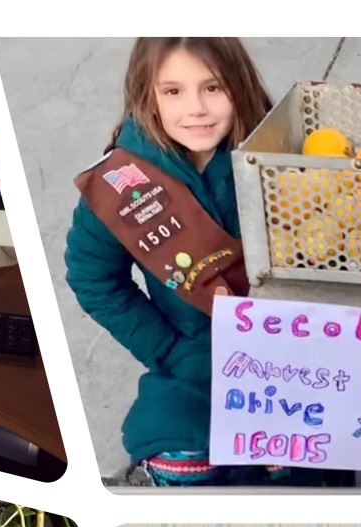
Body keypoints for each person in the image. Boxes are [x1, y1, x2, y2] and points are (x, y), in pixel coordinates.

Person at [66, 38, 271, 486]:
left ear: (241, 86)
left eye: (213, 88)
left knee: (304, 466)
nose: (196, 108)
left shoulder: (278, 155)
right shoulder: (122, 183)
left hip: (294, 351)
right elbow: (92, 277)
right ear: (147, 95)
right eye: (173, 91)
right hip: (195, 358)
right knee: (178, 452)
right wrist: (167, 350)